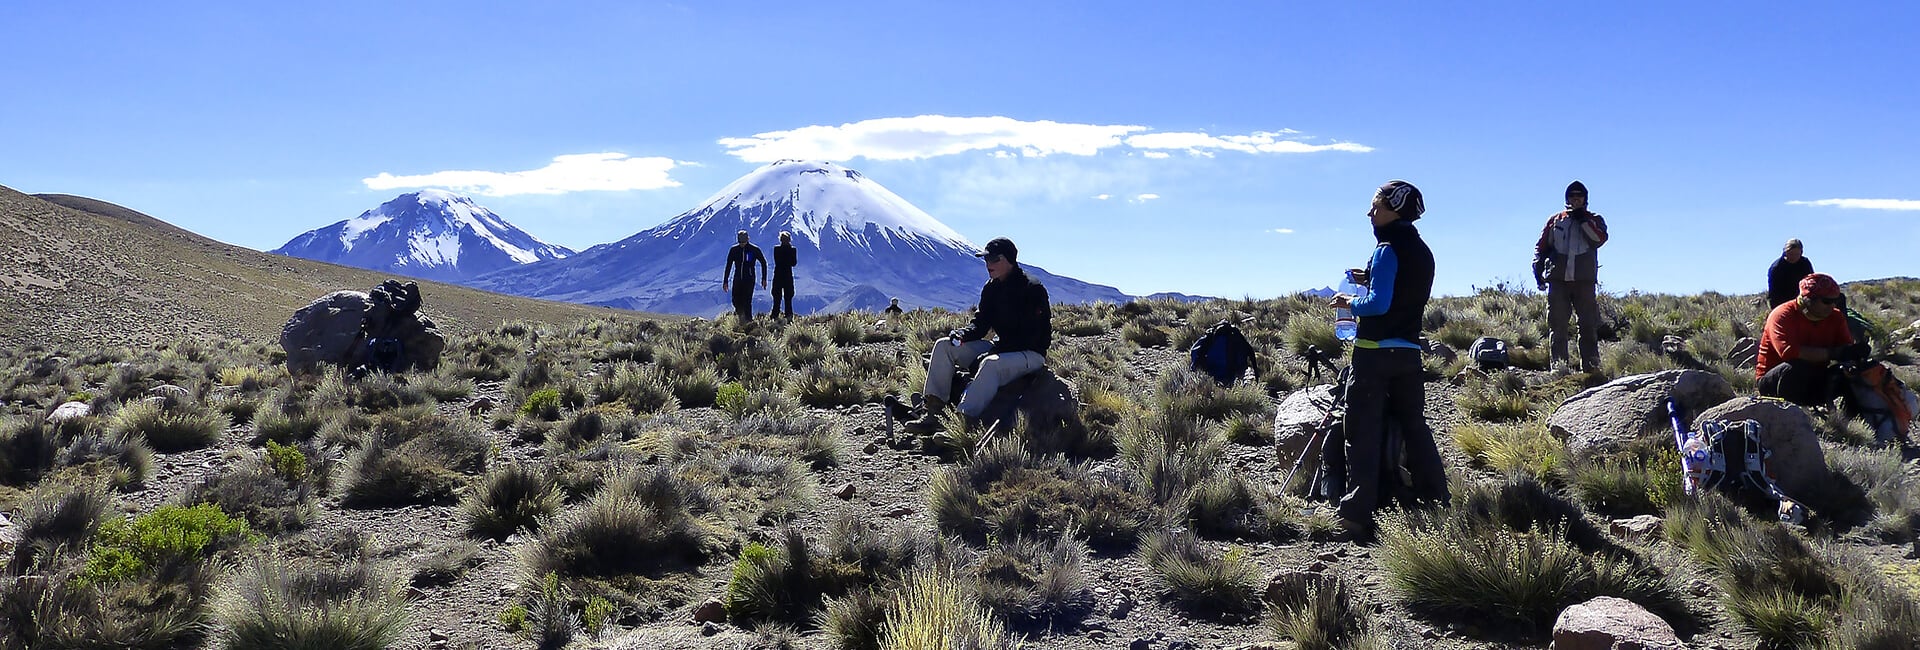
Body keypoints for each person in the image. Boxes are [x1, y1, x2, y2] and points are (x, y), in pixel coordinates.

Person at [1327, 180, 1450, 540]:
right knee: (1415, 427)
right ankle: (1436, 501)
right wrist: (1373, 276)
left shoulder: (1386, 248)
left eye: (1376, 207)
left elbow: (1379, 304)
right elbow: (1402, 291)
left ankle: (1355, 514)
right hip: (1409, 355)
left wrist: (1348, 302)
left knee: (1362, 431)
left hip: (1374, 353)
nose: (1370, 213)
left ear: (1394, 209)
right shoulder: (1423, 252)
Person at [902, 237, 1051, 433]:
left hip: (1030, 354)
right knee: (944, 346)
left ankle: (961, 425)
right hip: (1001, 348)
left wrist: (992, 353)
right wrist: (961, 336)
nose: (988, 264)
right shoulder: (992, 288)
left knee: (989, 364)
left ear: (1009, 260)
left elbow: (1034, 336)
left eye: (994, 260)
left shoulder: (1032, 288)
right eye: (986, 260)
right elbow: (981, 325)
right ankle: (933, 413)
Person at [1533, 180, 1610, 371]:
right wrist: (1538, 266)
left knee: (1587, 327)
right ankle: (1559, 370)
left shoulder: (1595, 219)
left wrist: (1582, 220)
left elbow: (1599, 239)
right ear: (1567, 199)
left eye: (1579, 196)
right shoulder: (1555, 220)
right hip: (1558, 281)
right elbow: (1542, 246)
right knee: (1557, 327)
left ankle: (1592, 370)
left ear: (1585, 199)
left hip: (1584, 282)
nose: (1575, 200)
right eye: (1572, 197)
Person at [1757, 273, 1862, 407]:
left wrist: (1853, 355)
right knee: (1796, 368)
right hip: (1775, 381)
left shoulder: (1835, 316)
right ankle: (1792, 419)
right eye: (1826, 301)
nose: (1832, 305)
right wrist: (1833, 353)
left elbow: (1845, 348)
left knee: (1853, 373)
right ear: (1808, 299)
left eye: (1836, 300)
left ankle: (1850, 422)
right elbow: (1788, 352)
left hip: (1814, 378)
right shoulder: (1782, 315)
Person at [722, 230, 766, 321]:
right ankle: (740, 317)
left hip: (749, 279)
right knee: (735, 299)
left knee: (747, 300)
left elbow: (763, 263)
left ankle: (748, 321)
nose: (742, 244)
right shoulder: (734, 250)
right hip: (738, 278)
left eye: (744, 242)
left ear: (747, 239)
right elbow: (729, 265)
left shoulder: (754, 249)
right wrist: (725, 280)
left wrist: (764, 278)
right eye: (740, 242)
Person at [1766, 239, 1814, 308]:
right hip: (1783, 302)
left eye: (1797, 254)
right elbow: (1773, 294)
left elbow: (1811, 282)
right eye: (1791, 254)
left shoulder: (1805, 263)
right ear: (1785, 252)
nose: (1794, 257)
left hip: (1803, 301)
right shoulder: (1776, 268)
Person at [771, 231, 798, 318]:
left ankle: (775, 314)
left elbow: (777, 261)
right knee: (788, 296)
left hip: (778, 275)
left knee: (776, 297)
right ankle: (789, 315)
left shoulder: (776, 249)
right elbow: (793, 263)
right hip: (787, 275)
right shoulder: (793, 250)